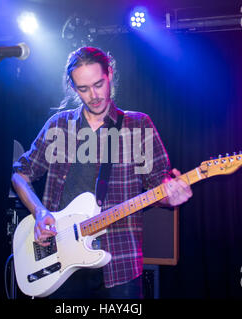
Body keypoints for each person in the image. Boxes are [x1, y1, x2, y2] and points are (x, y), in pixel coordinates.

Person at [11, 47, 192, 299]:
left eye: (98, 84)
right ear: (73, 88)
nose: (94, 96)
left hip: (119, 262)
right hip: (59, 259)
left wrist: (171, 194)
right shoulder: (58, 125)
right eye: (83, 89)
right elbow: (20, 173)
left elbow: (159, 185)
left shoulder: (138, 125)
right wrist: (39, 212)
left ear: (110, 74)